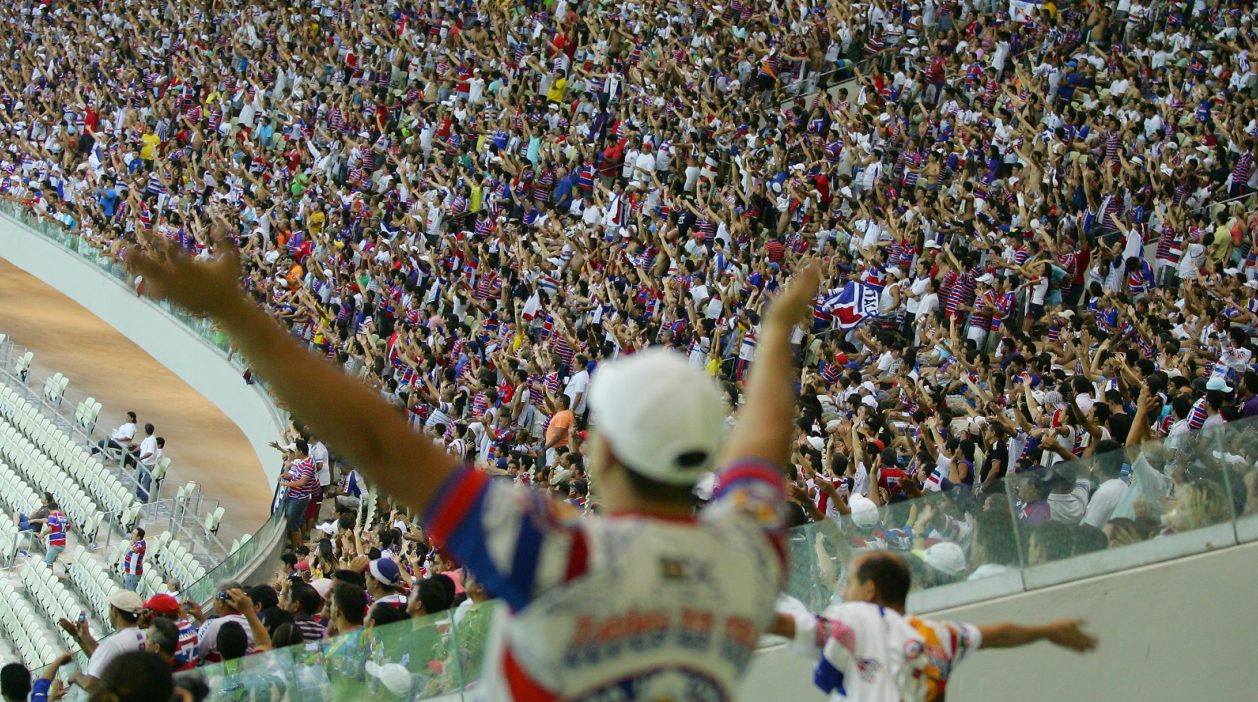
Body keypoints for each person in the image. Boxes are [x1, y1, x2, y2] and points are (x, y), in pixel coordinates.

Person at [127, 240, 820, 700]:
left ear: (601, 451)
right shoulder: (747, 557)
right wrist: (777, 334)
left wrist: (231, 311)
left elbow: (381, 443)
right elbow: (762, 447)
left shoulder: (563, 553)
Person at [775, 551, 1098, 701]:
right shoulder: (939, 635)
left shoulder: (856, 619)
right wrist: (1047, 631)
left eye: (850, 584)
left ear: (869, 591)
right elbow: (997, 634)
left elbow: (787, 624)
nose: (843, 592)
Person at [60, 590, 147, 692]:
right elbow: (102, 658)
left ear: (115, 612)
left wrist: (76, 676)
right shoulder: (141, 635)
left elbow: (90, 685)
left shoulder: (115, 642)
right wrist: (82, 636)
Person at [280, 440, 318, 552]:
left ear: (300, 452)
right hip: (296, 497)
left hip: (299, 498)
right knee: (297, 522)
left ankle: (294, 549)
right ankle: (298, 546)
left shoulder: (307, 464)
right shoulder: (303, 462)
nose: (294, 452)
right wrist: (286, 476)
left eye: (296, 450)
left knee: (293, 524)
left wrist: (286, 483)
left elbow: (301, 482)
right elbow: (296, 477)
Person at [41, 499, 67, 568]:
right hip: (62, 542)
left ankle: (49, 577)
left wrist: (42, 534)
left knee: (47, 562)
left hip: (55, 542)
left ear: (49, 510)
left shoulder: (52, 516)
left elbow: (50, 529)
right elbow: (68, 528)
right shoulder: (63, 517)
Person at [122, 527, 146, 593]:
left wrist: (131, 547)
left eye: (134, 534)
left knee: (130, 593)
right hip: (129, 572)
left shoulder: (140, 544)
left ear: (138, 537)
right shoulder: (136, 542)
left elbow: (135, 550)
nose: (131, 535)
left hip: (133, 573)